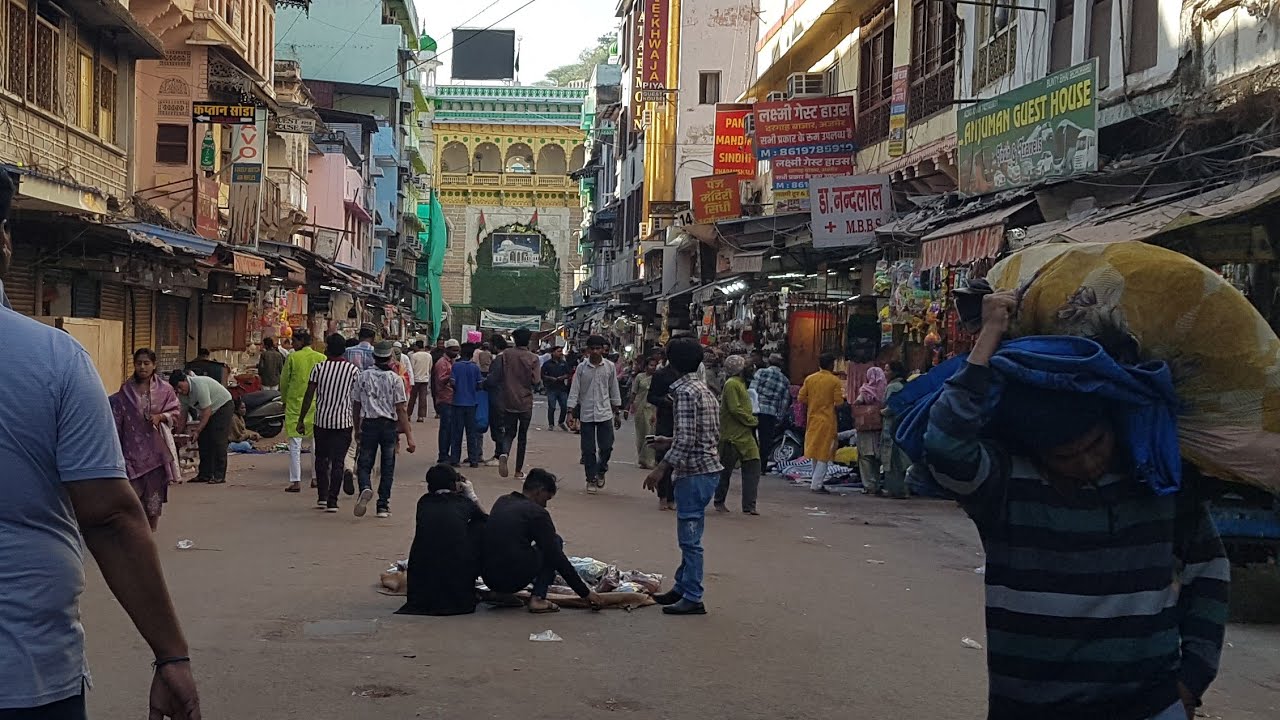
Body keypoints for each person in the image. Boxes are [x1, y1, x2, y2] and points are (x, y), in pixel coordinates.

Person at [923, 291, 1229, 720]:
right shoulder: (1005, 485)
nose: (1087, 463)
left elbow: (1209, 568)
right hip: (1030, 707)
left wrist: (1193, 678)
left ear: (1114, 426)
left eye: (1095, 444)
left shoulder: (1156, 479)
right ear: (1037, 451)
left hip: (1150, 702)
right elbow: (943, 445)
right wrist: (989, 335)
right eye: (1065, 457)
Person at [0, 168, 201, 719]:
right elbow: (111, 519)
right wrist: (170, 656)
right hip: (26, 675)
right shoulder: (55, 360)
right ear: (3, 241)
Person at [644, 337, 722, 616]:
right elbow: (700, 434)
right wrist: (668, 440)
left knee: (690, 539)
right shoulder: (702, 389)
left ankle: (693, 595)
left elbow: (688, 439)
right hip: (706, 467)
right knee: (691, 534)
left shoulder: (685, 393)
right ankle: (682, 586)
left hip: (695, 471)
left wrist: (660, 468)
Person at [481, 469, 604, 613]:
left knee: (520, 546)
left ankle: (501, 594)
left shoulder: (503, 501)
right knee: (554, 543)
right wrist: (585, 593)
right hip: (511, 579)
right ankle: (538, 598)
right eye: (546, 499)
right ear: (539, 491)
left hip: (489, 577)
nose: (545, 505)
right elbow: (557, 558)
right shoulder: (537, 513)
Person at [397, 464, 488, 616]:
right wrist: (472, 496)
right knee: (478, 526)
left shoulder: (424, 503)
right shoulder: (464, 503)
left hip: (421, 595)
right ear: (455, 484)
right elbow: (487, 521)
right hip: (459, 597)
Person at [110, 348, 182, 531]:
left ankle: (150, 532)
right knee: (132, 495)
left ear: (154, 365)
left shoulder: (165, 389)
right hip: (131, 451)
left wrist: (161, 417)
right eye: (139, 363)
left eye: (146, 363)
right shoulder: (126, 389)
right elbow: (117, 417)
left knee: (154, 496)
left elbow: (176, 411)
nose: (142, 367)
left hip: (156, 453)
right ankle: (135, 531)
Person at [352, 341, 417, 519]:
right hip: (389, 426)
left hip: (369, 424)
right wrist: (409, 437)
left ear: (374, 357)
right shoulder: (395, 379)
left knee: (365, 462)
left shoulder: (363, 376)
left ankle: (365, 487)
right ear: (390, 358)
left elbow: (356, 405)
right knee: (388, 466)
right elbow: (401, 409)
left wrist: (357, 428)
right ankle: (383, 505)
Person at [297, 334, 361, 512]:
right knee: (338, 461)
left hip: (322, 421)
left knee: (322, 459)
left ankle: (322, 497)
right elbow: (357, 400)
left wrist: (301, 419)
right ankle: (333, 501)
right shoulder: (353, 370)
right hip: (343, 422)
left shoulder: (319, 368)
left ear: (327, 349)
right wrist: (359, 424)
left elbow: (309, 395)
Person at [568, 335, 621, 492]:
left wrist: (617, 411)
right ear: (588, 350)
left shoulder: (610, 367)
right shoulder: (581, 368)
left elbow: (613, 389)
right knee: (588, 449)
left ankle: (601, 470)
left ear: (603, 350)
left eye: (599, 349)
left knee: (607, 447)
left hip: (605, 412)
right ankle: (591, 478)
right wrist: (570, 411)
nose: (596, 352)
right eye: (593, 349)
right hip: (587, 413)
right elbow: (574, 390)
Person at [714, 355, 761, 515]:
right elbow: (734, 409)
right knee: (725, 471)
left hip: (745, 435)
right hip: (732, 436)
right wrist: (752, 420)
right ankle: (719, 501)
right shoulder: (732, 384)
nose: (752, 370)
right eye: (748, 367)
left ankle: (749, 505)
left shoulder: (741, 384)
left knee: (753, 466)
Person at [170, 370, 234, 485]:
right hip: (207, 411)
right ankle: (204, 474)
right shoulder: (182, 395)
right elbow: (183, 415)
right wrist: (178, 434)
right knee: (203, 441)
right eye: (176, 389)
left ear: (185, 380)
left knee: (217, 440)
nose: (179, 391)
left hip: (222, 406)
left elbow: (207, 411)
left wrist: (198, 430)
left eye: (180, 387)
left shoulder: (199, 386)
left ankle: (219, 475)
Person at [493, 327, 541, 479]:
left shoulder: (505, 355)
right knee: (522, 436)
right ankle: (518, 471)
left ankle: (505, 453)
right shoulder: (533, 358)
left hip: (508, 400)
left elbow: (497, 376)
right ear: (529, 340)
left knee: (509, 432)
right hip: (525, 401)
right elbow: (536, 380)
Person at [281, 332, 325, 494]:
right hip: (315, 405)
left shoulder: (292, 358)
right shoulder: (321, 358)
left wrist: (284, 400)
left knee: (294, 445)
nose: (292, 343)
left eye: (294, 341)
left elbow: (284, 382)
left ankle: (296, 481)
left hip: (294, 405)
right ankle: (315, 478)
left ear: (301, 342)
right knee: (316, 444)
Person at [799, 353, 844, 494]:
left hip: (812, 419)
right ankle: (816, 484)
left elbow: (801, 398)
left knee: (814, 451)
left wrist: (814, 403)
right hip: (827, 420)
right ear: (831, 365)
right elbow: (839, 403)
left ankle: (815, 481)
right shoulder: (835, 381)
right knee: (825, 453)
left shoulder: (810, 379)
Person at [647, 353, 680, 511]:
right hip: (665, 420)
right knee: (663, 456)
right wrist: (665, 402)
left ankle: (673, 496)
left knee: (678, 459)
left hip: (682, 420)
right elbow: (651, 397)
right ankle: (663, 496)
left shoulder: (688, 375)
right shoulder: (661, 374)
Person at [750, 353, 789, 472]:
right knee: (766, 439)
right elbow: (784, 401)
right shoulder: (785, 380)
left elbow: (752, 390)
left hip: (757, 409)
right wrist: (780, 416)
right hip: (771, 413)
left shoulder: (761, 372)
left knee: (751, 437)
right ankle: (762, 466)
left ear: (769, 363)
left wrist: (749, 408)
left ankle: (752, 463)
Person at [449, 343, 484, 468]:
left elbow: (452, 382)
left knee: (456, 433)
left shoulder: (456, 366)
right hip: (472, 404)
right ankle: (473, 460)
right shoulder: (475, 368)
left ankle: (454, 459)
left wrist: (459, 388)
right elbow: (480, 385)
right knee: (472, 433)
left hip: (457, 403)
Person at [854, 365, 888, 495]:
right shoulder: (885, 390)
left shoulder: (866, 390)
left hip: (865, 428)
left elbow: (857, 403)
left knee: (865, 457)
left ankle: (869, 485)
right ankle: (877, 483)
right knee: (876, 458)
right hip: (879, 427)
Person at [879, 362, 910, 499]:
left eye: (887, 370)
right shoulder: (904, 385)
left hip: (891, 426)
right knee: (900, 460)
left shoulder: (892, 387)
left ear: (894, 372)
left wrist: (880, 412)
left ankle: (893, 489)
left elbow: (891, 407)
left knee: (891, 460)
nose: (885, 373)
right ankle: (901, 488)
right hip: (902, 426)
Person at [629, 354, 660, 469]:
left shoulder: (657, 378)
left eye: (655, 365)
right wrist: (630, 406)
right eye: (651, 365)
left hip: (652, 408)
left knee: (650, 433)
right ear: (646, 366)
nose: (653, 367)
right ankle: (642, 459)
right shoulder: (639, 377)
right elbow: (634, 392)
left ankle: (650, 460)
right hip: (640, 408)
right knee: (641, 434)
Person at [432, 339, 460, 465]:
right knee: (445, 428)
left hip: (453, 399)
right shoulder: (442, 363)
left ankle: (447, 453)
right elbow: (440, 380)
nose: (456, 352)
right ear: (447, 350)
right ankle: (442, 455)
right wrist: (452, 374)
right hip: (445, 398)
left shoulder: (453, 362)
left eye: (457, 350)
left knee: (451, 429)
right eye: (453, 350)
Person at [542, 345, 572, 432]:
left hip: (562, 388)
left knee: (564, 406)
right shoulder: (547, 364)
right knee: (552, 407)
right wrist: (550, 378)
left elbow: (568, 374)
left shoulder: (563, 363)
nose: (560, 353)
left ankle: (561, 422)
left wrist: (563, 377)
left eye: (561, 351)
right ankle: (551, 424)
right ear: (553, 352)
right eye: (558, 351)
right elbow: (542, 375)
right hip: (551, 388)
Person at [408, 340, 434, 422]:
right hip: (425, 379)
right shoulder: (429, 356)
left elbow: (411, 368)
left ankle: (408, 414)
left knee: (412, 398)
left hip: (415, 379)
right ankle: (421, 416)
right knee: (423, 398)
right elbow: (430, 367)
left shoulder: (414, 356)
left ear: (417, 347)